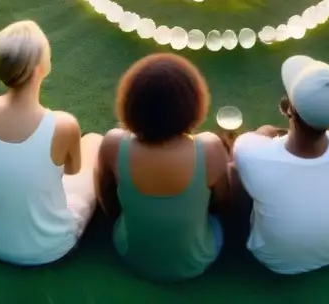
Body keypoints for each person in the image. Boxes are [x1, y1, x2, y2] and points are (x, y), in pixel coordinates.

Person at [0, 20, 103, 265]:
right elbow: (71, 171)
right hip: (47, 246)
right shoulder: (63, 125)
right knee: (94, 141)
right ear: (40, 67)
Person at [231, 55, 329, 275]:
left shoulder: (250, 151)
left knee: (235, 172)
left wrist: (263, 132)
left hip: (271, 259)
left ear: (286, 107)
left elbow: (250, 142)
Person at [94, 54, 230, 282]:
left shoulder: (114, 145)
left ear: (130, 103)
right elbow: (224, 202)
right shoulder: (209, 148)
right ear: (193, 104)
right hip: (198, 259)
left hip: (131, 254)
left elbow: (105, 198)